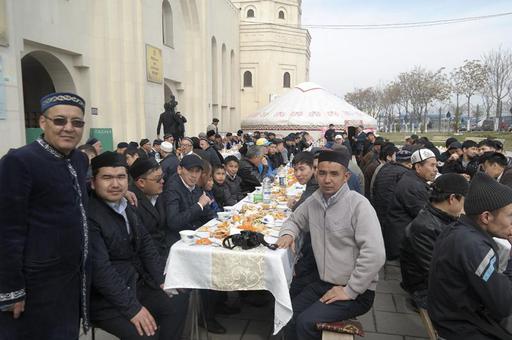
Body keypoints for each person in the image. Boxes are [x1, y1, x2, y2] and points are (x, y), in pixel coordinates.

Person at [0, 92, 90, 339]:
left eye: (77, 122)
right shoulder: (19, 161)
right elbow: (7, 230)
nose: (69, 128)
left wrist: (123, 194)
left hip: (70, 281)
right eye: (60, 120)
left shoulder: (79, 160)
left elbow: (75, 198)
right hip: (35, 285)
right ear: (43, 122)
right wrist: (11, 290)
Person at [277, 150, 385, 340]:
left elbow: (375, 254)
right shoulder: (314, 201)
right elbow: (293, 220)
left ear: (346, 176)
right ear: (316, 173)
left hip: (356, 290)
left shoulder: (359, 206)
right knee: (287, 315)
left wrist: (350, 290)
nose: (327, 180)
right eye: (322, 173)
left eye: (334, 174)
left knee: (305, 323)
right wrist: (288, 233)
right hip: (323, 282)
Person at [88, 152, 188, 340]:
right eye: (107, 178)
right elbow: (101, 271)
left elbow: (146, 245)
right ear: (93, 183)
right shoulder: (91, 215)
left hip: (135, 283)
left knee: (178, 300)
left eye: (120, 177)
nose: (115, 184)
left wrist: (161, 279)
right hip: (105, 298)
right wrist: (133, 309)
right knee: (147, 333)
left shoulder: (126, 205)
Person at [428, 172, 512, 340]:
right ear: (486, 217)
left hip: (448, 315)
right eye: (510, 216)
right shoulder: (475, 246)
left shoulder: (458, 229)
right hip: (460, 327)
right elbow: (504, 305)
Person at [400, 173, 468, 309]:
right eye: (464, 201)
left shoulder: (441, 216)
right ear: (452, 199)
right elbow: (438, 271)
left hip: (434, 283)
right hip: (424, 290)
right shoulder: (425, 226)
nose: (465, 205)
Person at [385, 149, 437, 260]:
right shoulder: (413, 186)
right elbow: (426, 217)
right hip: (402, 247)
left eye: (436, 165)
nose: (435, 169)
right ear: (418, 167)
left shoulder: (412, 180)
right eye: (432, 165)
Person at [162, 154, 216, 244]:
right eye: (190, 171)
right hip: (178, 239)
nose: (194, 175)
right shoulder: (172, 188)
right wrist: (199, 205)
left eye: (197, 171)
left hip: (195, 233)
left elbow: (207, 212)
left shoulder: (195, 186)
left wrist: (217, 220)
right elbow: (173, 222)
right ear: (179, 169)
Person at [287, 152, 320, 298]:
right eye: (295, 170)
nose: (298, 174)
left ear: (313, 168)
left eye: (302, 169)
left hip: (313, 252)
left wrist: (294, 206)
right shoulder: (311, 185)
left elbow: (301, 209)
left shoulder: (315, 188)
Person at [129, 158, 170, 264]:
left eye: (163, 177)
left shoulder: (158, 194)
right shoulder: (132, 201)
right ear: (141, 182)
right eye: (158, 179)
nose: (162, 181)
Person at [372, 149, 412, 239]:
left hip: (379, 214)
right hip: (394, 220)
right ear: (410, 163)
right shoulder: (405, 173)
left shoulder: (384, 168)